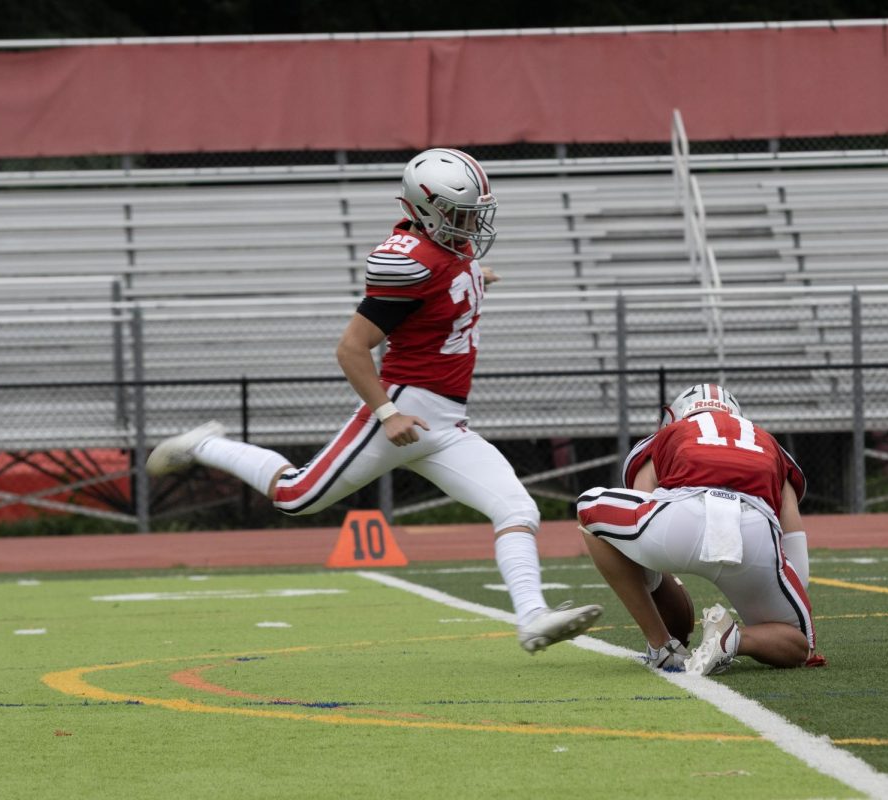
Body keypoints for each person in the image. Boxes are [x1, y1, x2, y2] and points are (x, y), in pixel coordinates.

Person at [147, 147, 601, 653]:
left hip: (447, 423)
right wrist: (386, 412)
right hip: (407, 406)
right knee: (296, 496)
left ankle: (532, 617)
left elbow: (442, 294)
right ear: (428, 209)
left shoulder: (448, 250)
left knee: (516, 507)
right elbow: (351, 347)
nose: (472, 222)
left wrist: (476, 279)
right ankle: (206, 444)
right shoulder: (409, 262)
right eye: (460, 212)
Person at [576, 383, 819, 674]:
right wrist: (785, 587)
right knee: (799, 643)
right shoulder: (769, 444)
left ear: (674, 416)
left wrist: (655, 582)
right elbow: (791, 528)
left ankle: (661, 646)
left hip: (681, 519)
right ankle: (733, 639)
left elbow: (643, 499)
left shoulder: (667, 435)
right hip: (753, 532)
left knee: (589, 507)